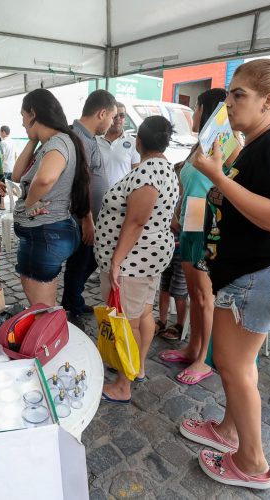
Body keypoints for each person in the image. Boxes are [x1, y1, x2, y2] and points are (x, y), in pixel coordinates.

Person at [179, 59, 270, 490]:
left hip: (254, 275)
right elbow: (249, 202)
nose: (229, 103)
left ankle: (253, 463)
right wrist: (221, 188)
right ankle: (228, 431)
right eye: (229, 93)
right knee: (239, 365)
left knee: (233, 365)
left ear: (269, 101)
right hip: (244, 273)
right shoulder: (255, 143)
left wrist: (218, 176)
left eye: (239, 95)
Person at [159, 88, 242, 385]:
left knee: (205, 297)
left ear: (208, 109)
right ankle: (193, 346)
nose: (192, 114)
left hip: (208, 224)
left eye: (195, 108)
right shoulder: (201, 143)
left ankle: (204, 357)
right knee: (194, 293)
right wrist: (177, 213)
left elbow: (231, 183)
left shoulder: (228, 142)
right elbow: (189, 184)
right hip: (190, 220)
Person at [94, 115, 179, 403]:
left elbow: (136, 221)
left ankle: (122, 385)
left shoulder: (146, 174)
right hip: (147, 259)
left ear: (139, 141)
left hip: (131, 263)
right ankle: (137, 367)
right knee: (142, 313)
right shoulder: (166, 169)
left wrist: (116, 261)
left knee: (125, 323)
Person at [12, 88, 90, 306]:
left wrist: (28, 205)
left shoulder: (58, 143)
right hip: (40, 234)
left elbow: (45, 179)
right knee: (38, 307)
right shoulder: (50, 143)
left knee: (44, 311)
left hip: (47, 232)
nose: (22, 123)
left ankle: (52, 339)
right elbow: (17, 175)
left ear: (33, 113)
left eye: (23, 117)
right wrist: (33, 138)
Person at [61, 90, 117, 329]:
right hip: (83, 217)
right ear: (102, 113)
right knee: (81, 260)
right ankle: (70, 305)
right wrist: (87, 218)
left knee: (88, 260)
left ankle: (73, 297)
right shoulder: (77, 138)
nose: (112, 122)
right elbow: (78, 183)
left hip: (93, 216)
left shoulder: (88, 136)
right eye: (112, 117)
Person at [97, 102, 141, 188]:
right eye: (115, 115)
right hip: (97, 196)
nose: (118, 118)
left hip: (120, 198)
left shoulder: (133, 143)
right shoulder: (96, 140)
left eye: (122, 115)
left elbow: (137, 175)